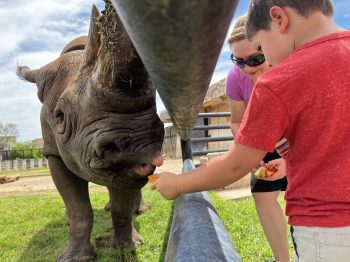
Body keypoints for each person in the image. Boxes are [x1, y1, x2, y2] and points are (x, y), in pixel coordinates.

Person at [151, 0, 350, 261]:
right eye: (239, 61)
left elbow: (236, 166)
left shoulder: (279, 81)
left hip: (326, 229)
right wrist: (289, 164)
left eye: (260, 48)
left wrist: (177, 183)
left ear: (279, 19)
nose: (263, 61)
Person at [226, 15, 289, 262]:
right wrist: (251, 149)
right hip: (264, 142)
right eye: (238, 61)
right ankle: (281, 259)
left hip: (301, 140)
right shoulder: (236, 77)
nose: (248, 69)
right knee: (262, 193)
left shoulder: (291, 66)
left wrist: (291, 160)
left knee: (302, 194)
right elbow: (236, 122)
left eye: (256, 59)